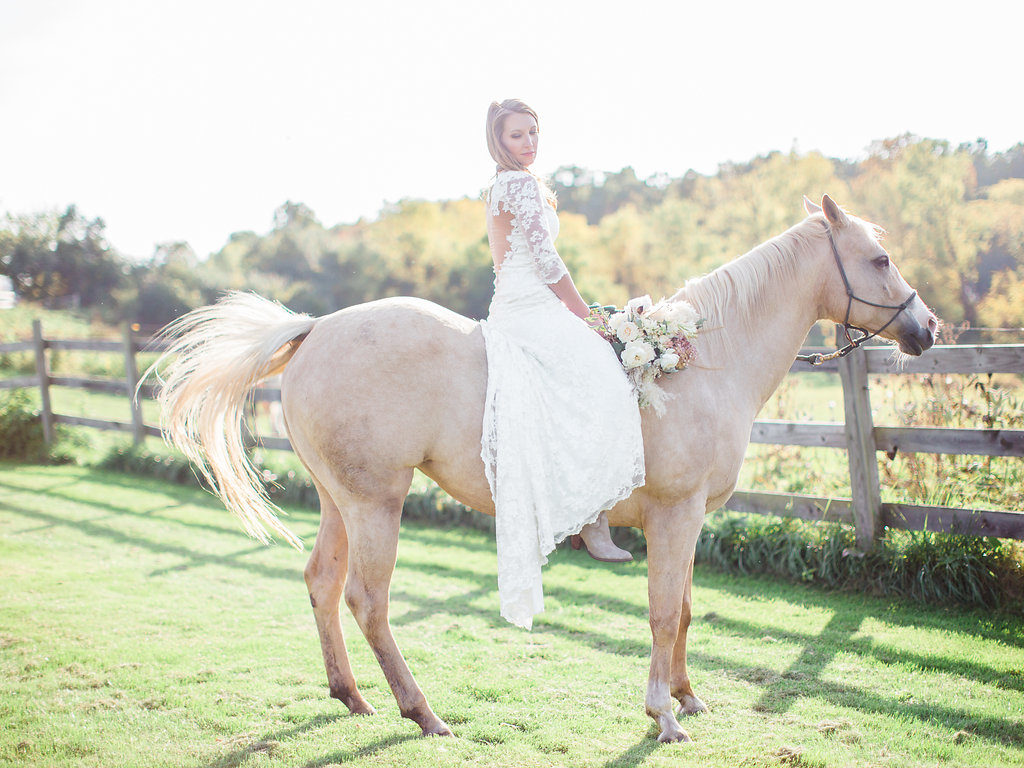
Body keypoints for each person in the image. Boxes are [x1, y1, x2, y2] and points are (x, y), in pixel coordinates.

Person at [479, 99, 646, 629]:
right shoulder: (519, 185)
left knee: (589, 378)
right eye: (515, 136)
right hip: (530, 307)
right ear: (497, 141)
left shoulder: (509, 184)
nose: (527, 143)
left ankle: (588, 511)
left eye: (532, 133)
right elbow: (547, 262)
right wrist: (586, 317)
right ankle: (591, 518)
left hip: (519, 303)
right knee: (603, 375)